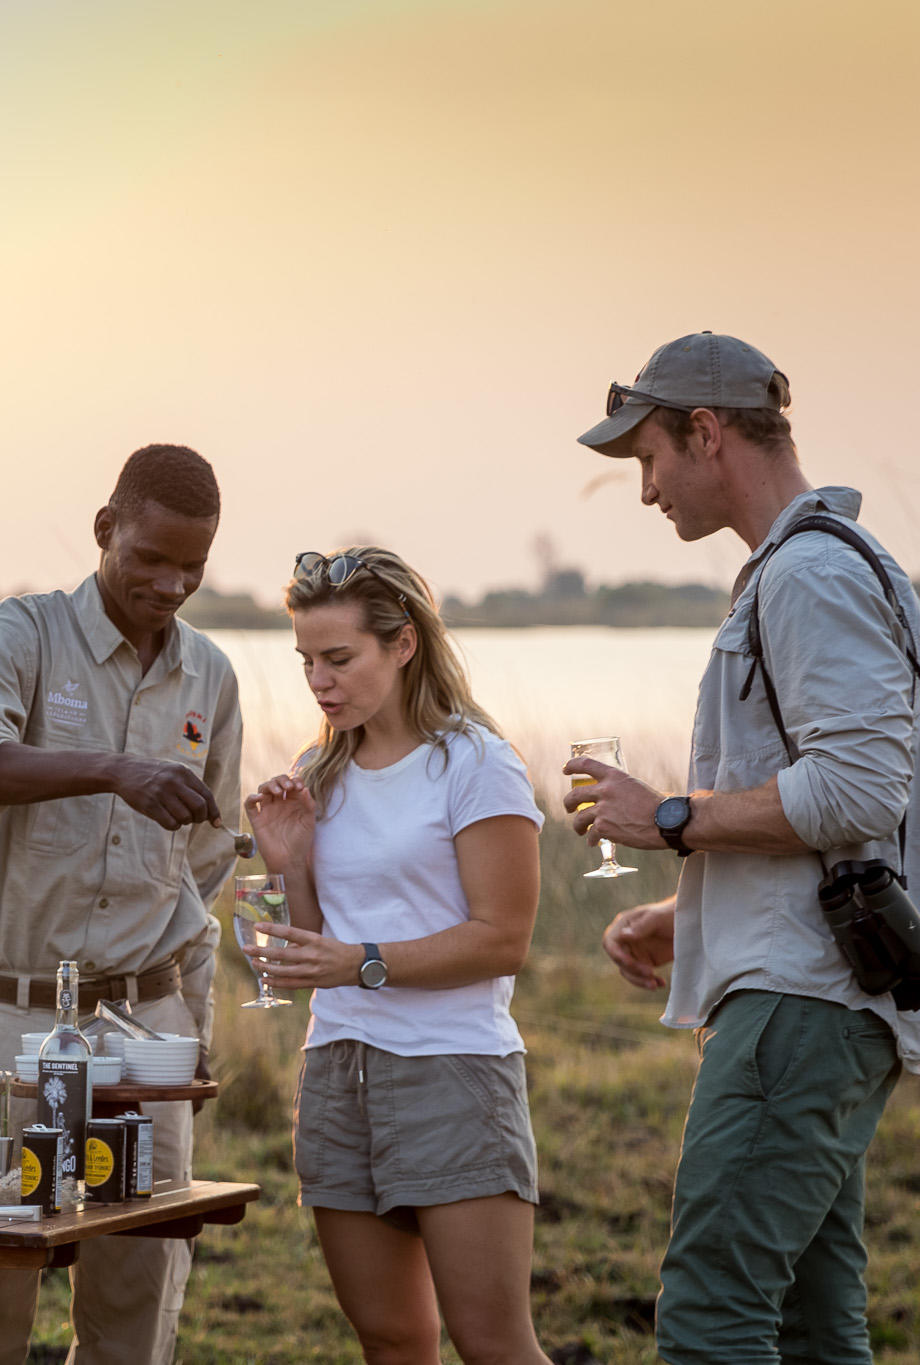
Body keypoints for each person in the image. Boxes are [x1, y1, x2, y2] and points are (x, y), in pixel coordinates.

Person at [570, 332, 917, 1363]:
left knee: (711, 1316)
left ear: (705, 433)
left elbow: (859, 789)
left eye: (648, 459)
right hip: (821, 997)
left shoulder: (806, 576)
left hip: (796, 1014)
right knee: (816, 1327)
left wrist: (668, 821)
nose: (644, 492)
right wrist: (692, 911)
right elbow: (860, 821)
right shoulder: (848, 570)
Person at [0, 444, 241, 1365]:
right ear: (106, 530)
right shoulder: (19, 635)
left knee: (137, 1296)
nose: (172, 583)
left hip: (147, 1025)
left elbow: (206, 861)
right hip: (5, 1018)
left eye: (194, 567)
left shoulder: (211, 677)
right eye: (151, 558)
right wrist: (112, 769)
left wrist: (189, 1023)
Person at [242, 547, 553, 1365]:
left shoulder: (475, 763)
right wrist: (289, 861)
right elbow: (313, 942)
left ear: (403, 644)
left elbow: (503, 939)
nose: (319, 680)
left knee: (494, 1344)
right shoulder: (320, 770)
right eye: (307, 660)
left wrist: (360, 962)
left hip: (452, 1071)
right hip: (338, 1069)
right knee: (390, 1337)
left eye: (339, 658)